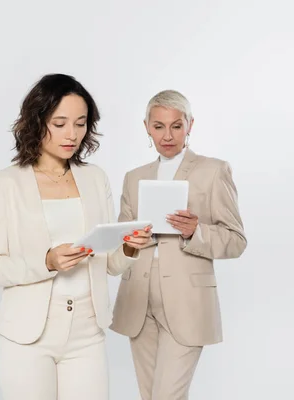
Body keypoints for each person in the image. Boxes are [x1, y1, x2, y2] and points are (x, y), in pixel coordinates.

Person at [0, 73, 152, 400]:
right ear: (36, 121)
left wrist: (128, 249)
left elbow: (109, 264)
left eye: (80, 123)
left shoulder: (95, 178)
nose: (72, 134)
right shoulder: (7, 183)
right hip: (27, 337)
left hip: (87, 332)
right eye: (59, 123)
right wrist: (47, 261)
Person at [111, 90, 247, 400]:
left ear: (190, 125)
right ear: (146, 126)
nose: (168, 135)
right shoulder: (134, 177)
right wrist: (131, 239)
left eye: (176, 125)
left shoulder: (213, 170)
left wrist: (194, 232)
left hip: (187, 301)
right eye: (158, 126)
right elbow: (122, 239)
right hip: (137, 298)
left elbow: (236, 240)